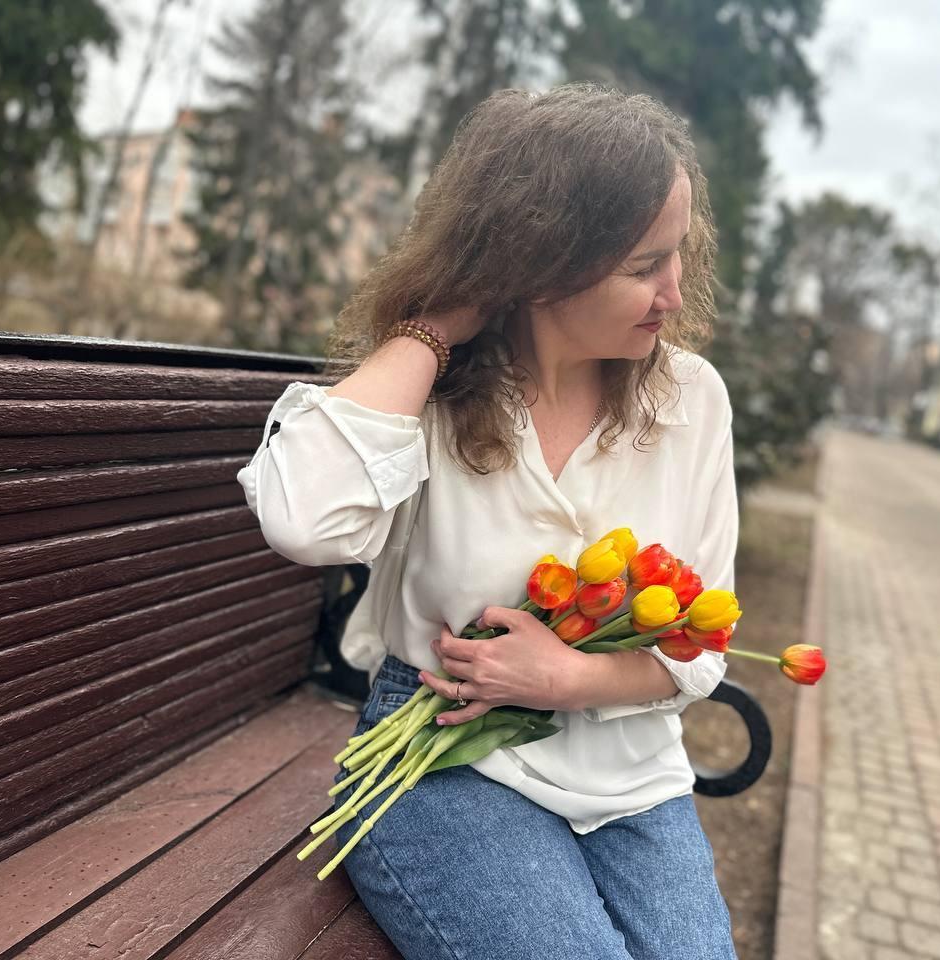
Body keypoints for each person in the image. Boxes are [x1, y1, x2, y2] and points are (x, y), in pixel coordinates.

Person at [237, 82, 740, 960]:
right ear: (542, 264)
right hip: (442, 756)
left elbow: (702, 649)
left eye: (679, 254)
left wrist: (570, 679)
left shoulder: (690, 400)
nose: (673, 292)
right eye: (642, 267)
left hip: (634, 780)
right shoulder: (436, 395)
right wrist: (440, 325)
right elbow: (303, 521)